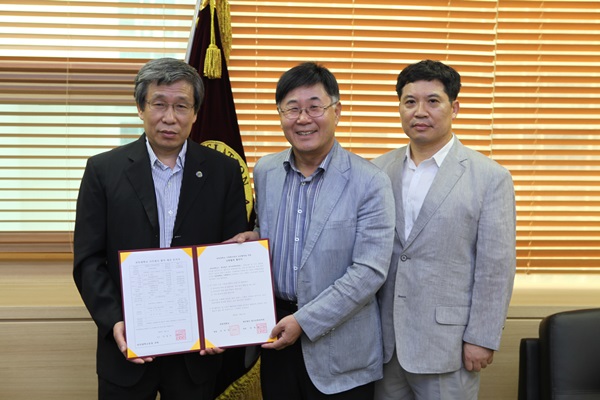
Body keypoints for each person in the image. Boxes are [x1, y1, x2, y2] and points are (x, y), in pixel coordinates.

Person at [73, 57, 248, 400]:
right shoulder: (103, 171)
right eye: (159, 104)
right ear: (141, 108)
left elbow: (230, 258)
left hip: (197, 353)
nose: (170, 117)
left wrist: (223, 325)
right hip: (128, 346)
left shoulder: (223, 172)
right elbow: (89, 260)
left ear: (196, 112)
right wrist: (115, 323)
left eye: (182, 106)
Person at [229, 62, 395, 399]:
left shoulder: (370, 181)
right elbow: (275, 231)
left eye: (314, 107)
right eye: (292, 109)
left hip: (340, 346)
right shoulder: (266, 171)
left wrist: (305, 321)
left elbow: (369, 271)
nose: (303, 119)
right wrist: (253, 239)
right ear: (280, 115)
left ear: (337, 111)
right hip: (275, 335)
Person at [372, 59, 516, 400]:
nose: (420, 111)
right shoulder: (377, 170)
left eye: (432, 101)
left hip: (448, 346)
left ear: (455, 107)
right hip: (383, 343)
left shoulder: (490, 177)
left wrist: (481, 337)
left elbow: (496, 267)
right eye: (410, 102)